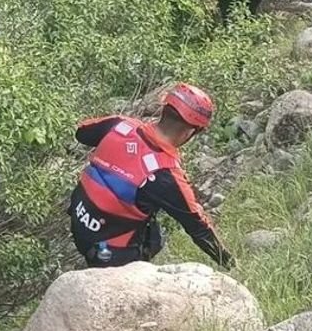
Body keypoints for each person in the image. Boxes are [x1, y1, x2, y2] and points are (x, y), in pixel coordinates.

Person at [69, 83, 234, 270]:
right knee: (155, 237)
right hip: (110, 254)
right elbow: (199, 229)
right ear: (191, 132)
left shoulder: (120, 125)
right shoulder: (165, 175)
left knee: (153, 228)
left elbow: (81, 133)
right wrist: (231, 264)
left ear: (164, 109)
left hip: (80, 223)